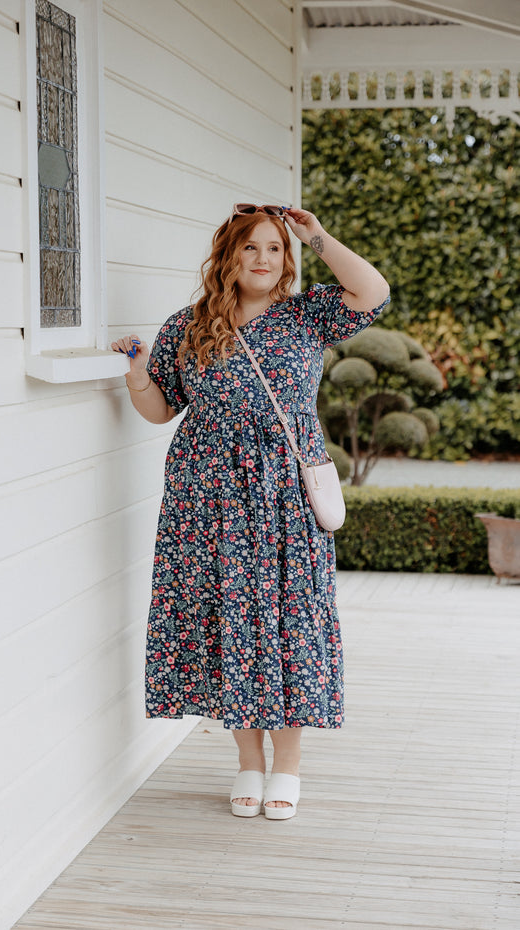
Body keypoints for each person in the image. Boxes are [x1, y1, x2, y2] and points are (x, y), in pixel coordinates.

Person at [111, 204, 389, 820]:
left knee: (286, 618)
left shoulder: (307, 315)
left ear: (286, 258)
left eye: (273, 248)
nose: (263, 259)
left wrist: (314, 235)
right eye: (250, 249)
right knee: (226, 619)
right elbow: (161, 409)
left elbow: (373, 290)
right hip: (207, 496)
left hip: (284, 491)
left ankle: (287, 766)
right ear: (228, 258)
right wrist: (135, 372)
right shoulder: (190, 325)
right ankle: (247, 763)